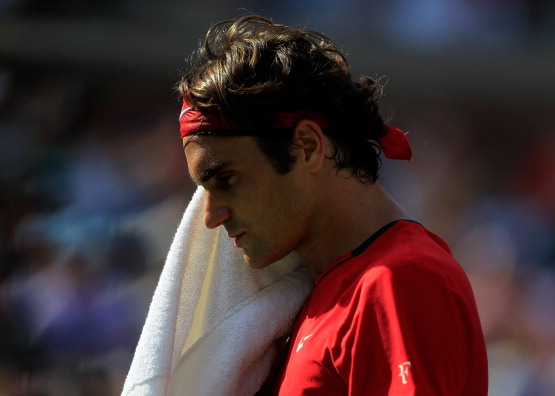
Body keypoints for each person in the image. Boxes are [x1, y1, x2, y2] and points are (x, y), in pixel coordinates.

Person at [177, 14, 488, 395]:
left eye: (226, 180)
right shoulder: (327, 291)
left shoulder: (400, 279)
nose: (211, 216)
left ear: (308, 146)